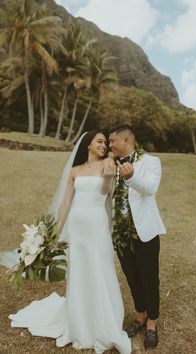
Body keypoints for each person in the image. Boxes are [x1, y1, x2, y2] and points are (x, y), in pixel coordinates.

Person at [7, 130, 131, 354]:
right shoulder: (75, 171)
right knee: (80, 271)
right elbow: (65, 203)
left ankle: (105, 323)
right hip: (77, 227)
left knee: (100, 269)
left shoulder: (108, 164)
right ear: (87, 144)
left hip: (96, 225)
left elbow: (105, 193)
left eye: (105, 143)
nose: (104, 146)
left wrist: (108, 177)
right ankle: (79, 322)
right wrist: (54, 232)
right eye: (100, 142)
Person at [109, 124, 166, 350]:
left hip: (145, 232)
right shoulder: (111, 165)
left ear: (126, 141)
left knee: (149, 277)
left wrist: (131, 177)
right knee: (131, 276)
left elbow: (150, 188)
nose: (109, 145)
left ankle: (152, 323)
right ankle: (140, 315)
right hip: (121, 234)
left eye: (113, 141)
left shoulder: (151, 162)